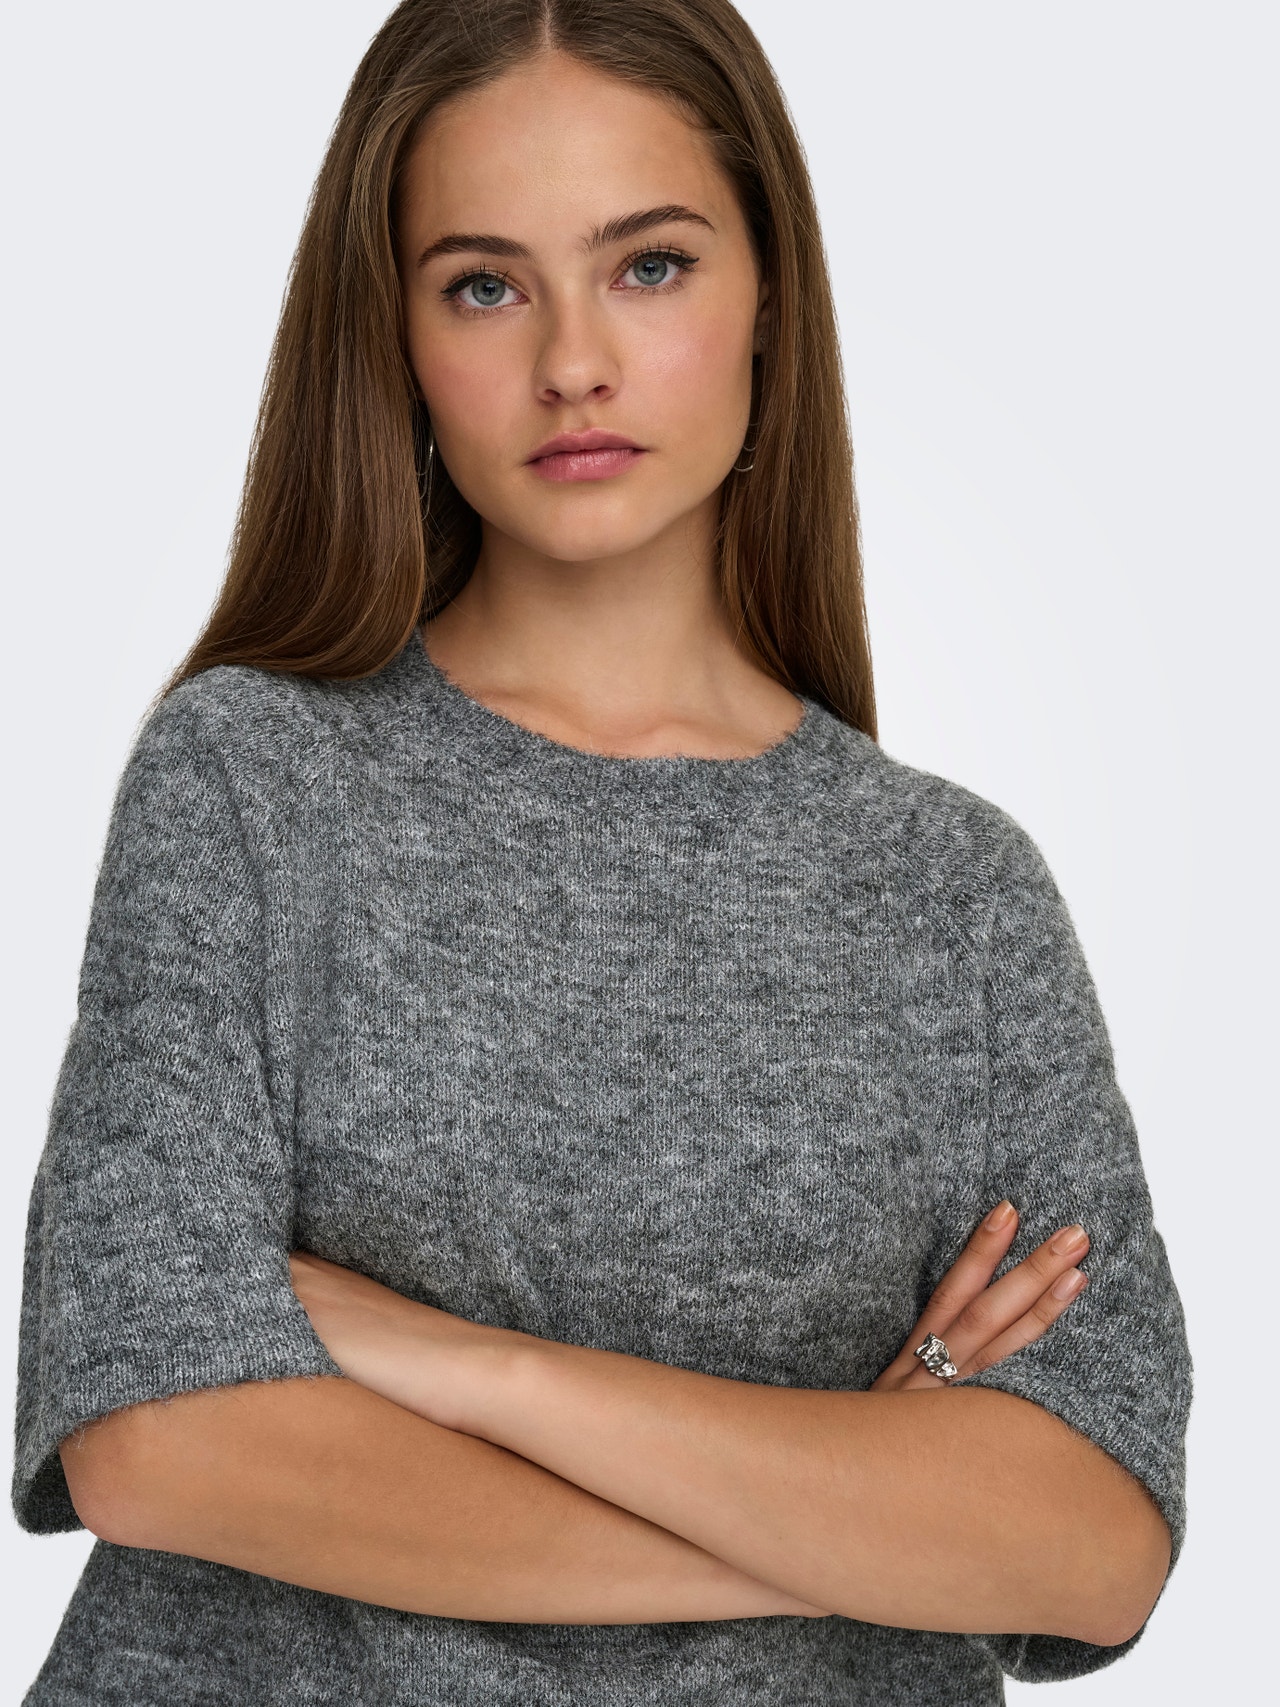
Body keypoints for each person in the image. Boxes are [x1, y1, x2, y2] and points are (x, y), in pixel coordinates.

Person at [12, 2, 1192, 1702]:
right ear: (396, 334)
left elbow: (1091, 1545)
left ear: (769, 295)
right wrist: (848, 1514)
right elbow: (160, 1444)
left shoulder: (953, 897)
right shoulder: (256, 782)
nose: (573, 361)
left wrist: (469, 1368)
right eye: (484, 286)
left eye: (649, 266)